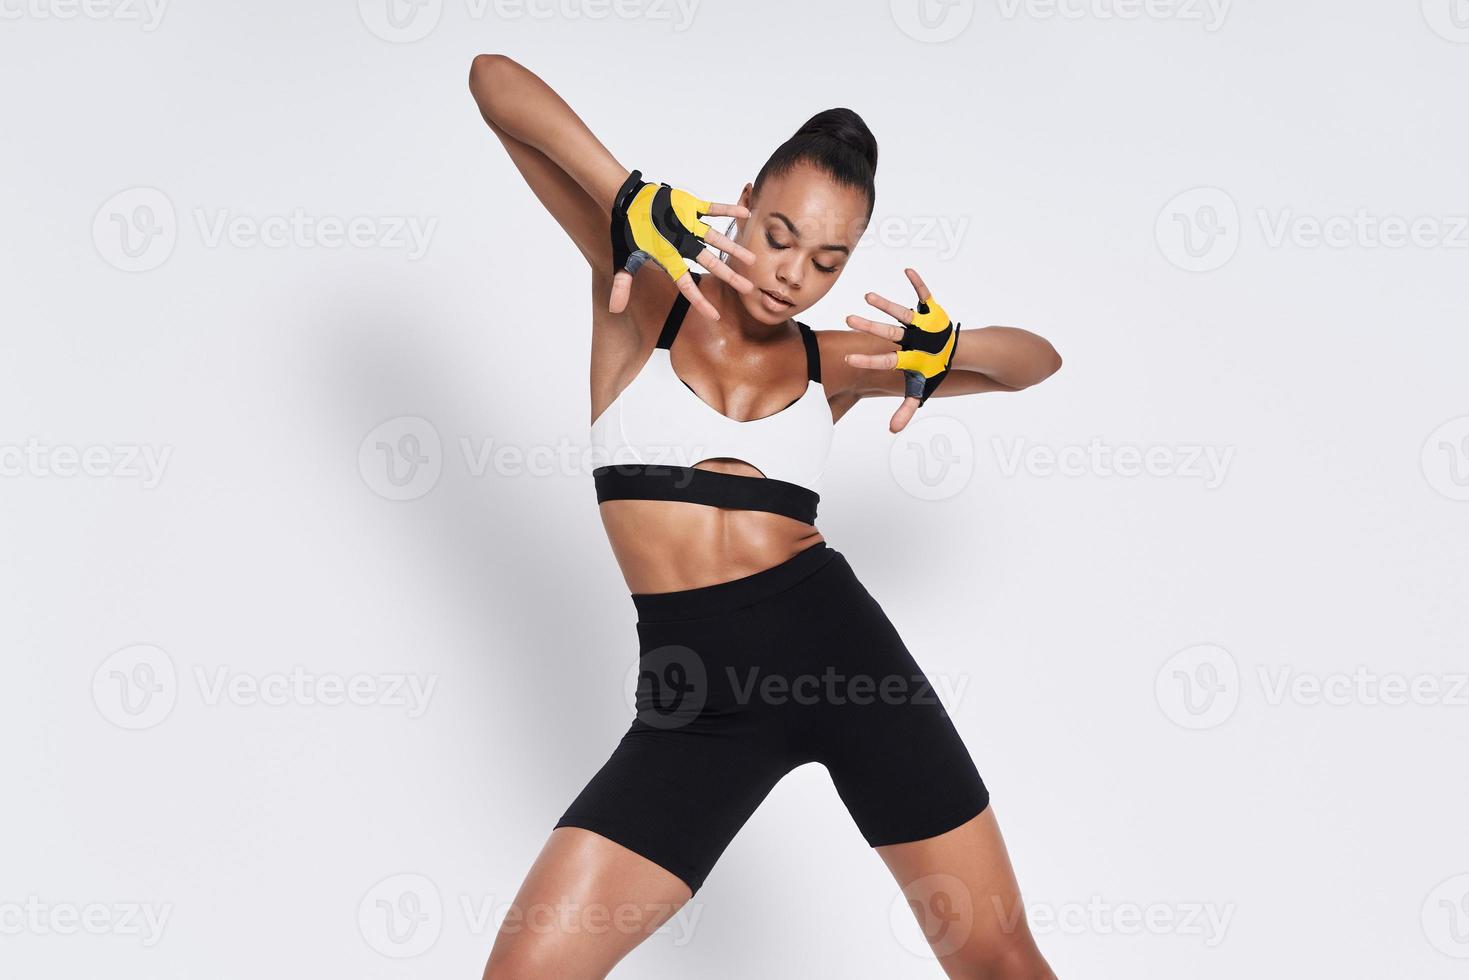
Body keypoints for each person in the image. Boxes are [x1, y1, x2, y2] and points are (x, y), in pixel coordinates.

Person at [468, 53, 1063, 979]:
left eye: (827, 260)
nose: (792, 275)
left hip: (845, 661)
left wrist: (949, 348)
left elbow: (1037, 362)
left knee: (993, 953)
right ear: (742, 201)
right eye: (779, 236)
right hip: (694, 705)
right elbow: (491, 82)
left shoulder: (837, 363)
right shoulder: (641, 293)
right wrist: (622, 191)